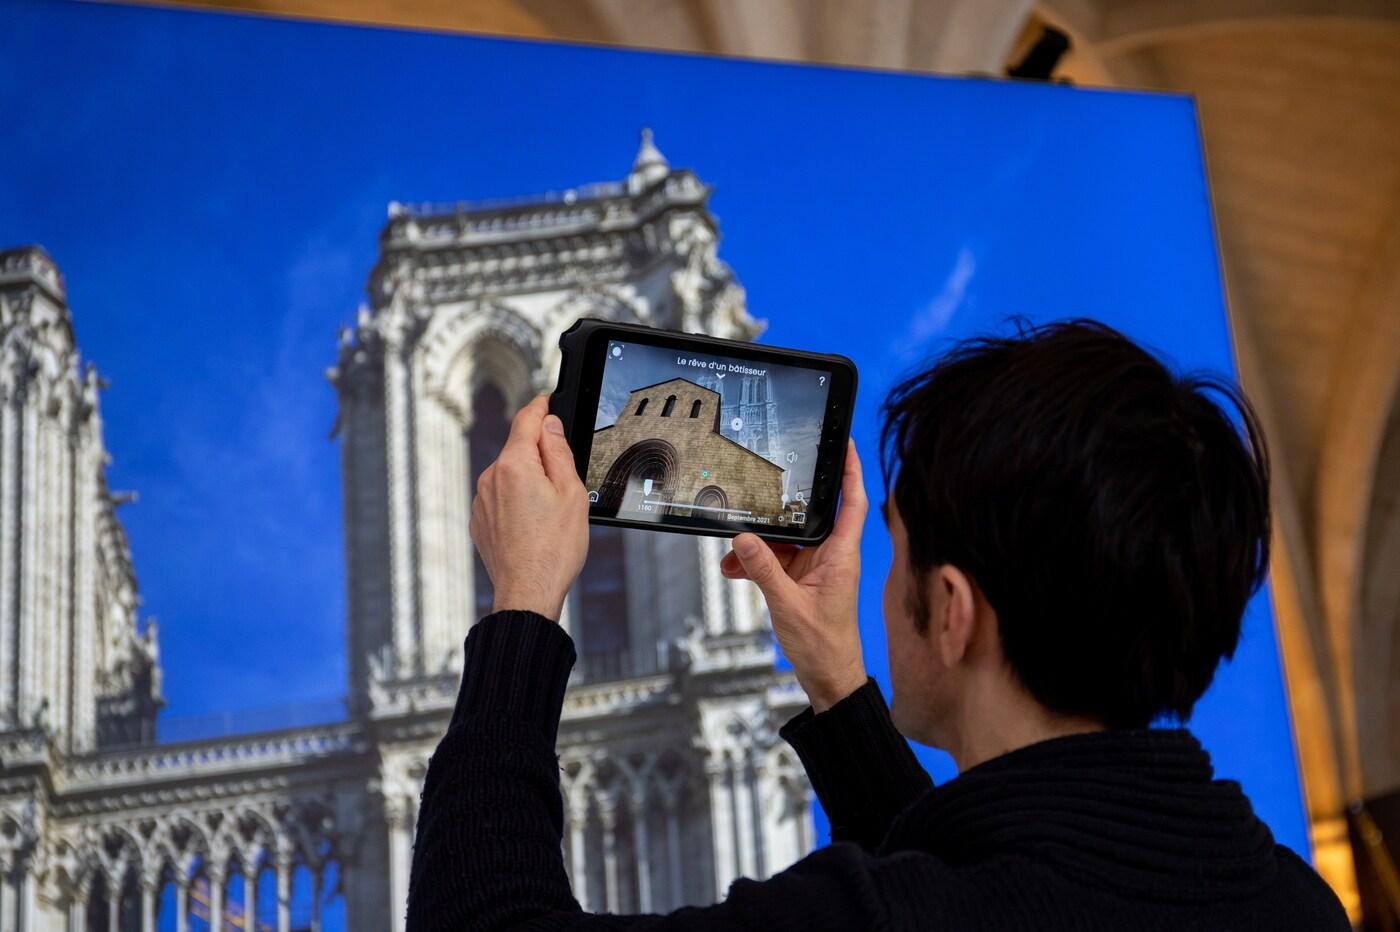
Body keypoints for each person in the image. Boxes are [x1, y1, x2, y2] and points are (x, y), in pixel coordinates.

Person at [406, 320, 1349, 931]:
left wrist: (522, 610)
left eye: (896, 548)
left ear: (951, 610)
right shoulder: (1289, 899)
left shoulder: (878, 919)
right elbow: (1005, 878)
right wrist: (840, 684)